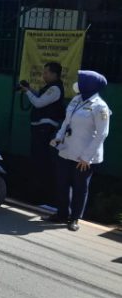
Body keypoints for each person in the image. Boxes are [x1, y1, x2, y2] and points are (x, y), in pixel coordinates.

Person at [45, 70, 111, 232]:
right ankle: (61, 214)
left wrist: (86, 158)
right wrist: (58, 137)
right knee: (62, 183)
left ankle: (75, 218)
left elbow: (102, 134)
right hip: (67, 149)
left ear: (89, 84)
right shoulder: (76, 99)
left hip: (84, 156)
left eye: (81, 80)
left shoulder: (100, 107)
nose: (77, 83)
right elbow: (67, 122)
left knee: (80, 187)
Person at [20, 62, 65, 203]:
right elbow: (39, 97)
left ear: (54, 74)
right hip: (39, 129)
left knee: (40, 162)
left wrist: (27, 92)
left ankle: (39, 196)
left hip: (44, 130)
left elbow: (39, 103)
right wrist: (29, 89)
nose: (43, 75)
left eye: (46, 72)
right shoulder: (49, 88)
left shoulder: (55, 89)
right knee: (36, 161)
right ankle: (34, 193)